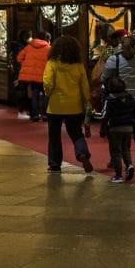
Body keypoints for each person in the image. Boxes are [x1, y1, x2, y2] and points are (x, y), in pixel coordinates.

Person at [43, 35, 94, 174]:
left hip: (55, 106)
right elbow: (84, 86)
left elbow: (48, 83)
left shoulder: (52, 63)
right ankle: (82, 154)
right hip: (74, 106)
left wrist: (48, 94)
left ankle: (54, 164)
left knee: (54, 136)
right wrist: (86, 101)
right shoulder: (78, 65)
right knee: (76, 133)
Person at [100, 35, 135, 172]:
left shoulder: (113, 60)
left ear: (120, 46)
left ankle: (116, 158)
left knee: (118, 130)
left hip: (120, 101)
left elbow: (104, 78)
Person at [100, 76, 135, 183]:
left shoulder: (110, 100)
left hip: (115, 129)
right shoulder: (130, 98)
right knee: (126, 149)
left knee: (116, 151)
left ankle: (118, 175)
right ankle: (129, 165)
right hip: (128, 128)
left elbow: (105, 115)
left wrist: (96, 116)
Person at [16, 30, 51, 121]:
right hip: (44, 76)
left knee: (34, 94)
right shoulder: (49, 48)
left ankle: (34, 116)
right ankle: (45, 115)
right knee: (45, 95)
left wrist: (27, 64)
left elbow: (19, 58)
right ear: (47, 40)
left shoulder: (29, 46)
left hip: (32, 78)